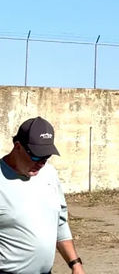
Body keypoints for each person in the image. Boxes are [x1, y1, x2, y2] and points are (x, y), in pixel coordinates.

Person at [0, 117, 86, 274]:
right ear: (17, 146)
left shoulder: (49, 174)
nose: (41, 163)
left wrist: (75, 264)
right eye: (35, 156)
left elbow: (59, 222)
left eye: (46, 157)